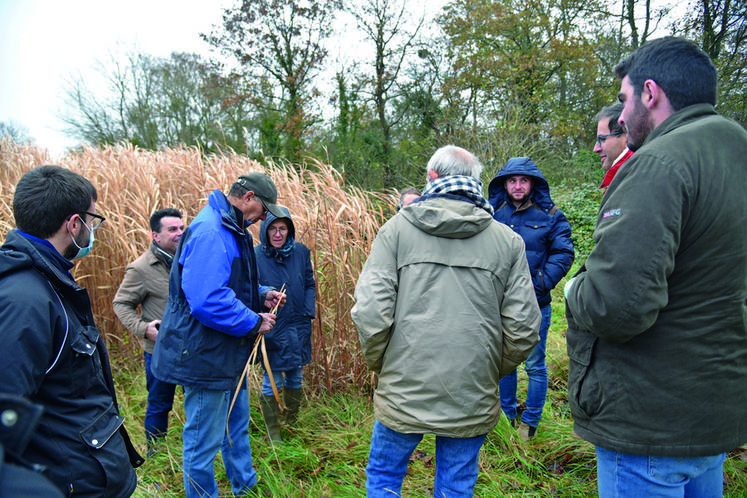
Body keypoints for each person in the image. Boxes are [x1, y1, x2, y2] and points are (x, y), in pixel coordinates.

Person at [564, 37, 747, 497]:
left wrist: (573, 289)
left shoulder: (659, 164)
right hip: (713, 411)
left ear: (651, 93)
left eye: (625, 100)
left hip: (650, 422)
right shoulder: (734, 151)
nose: (620, 117)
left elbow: (616, 307)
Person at [352, 145, 541, 497]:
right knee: (456, 485)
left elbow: (370, 313)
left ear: (432, 178)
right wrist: (486, 367)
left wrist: (384, 363)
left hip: (403, 385)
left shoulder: (395, 231)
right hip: (471, 388)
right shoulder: (507, 242)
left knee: (384, 476)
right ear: (474, 182)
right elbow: (525, 328)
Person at [0, 165, 143, 497]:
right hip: (71, 482)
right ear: (74, 224)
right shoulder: (26, 300)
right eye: (92, 220)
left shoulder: (49, 282)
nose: (93, 229)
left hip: (88, 472)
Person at [152, 172, 286, 498]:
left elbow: (228, 284)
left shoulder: (230, 226)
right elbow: (207, 299)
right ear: (248, 197)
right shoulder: (212, 231)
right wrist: (254, 321)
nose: (265, 217)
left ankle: (245, 485)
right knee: (201, 443)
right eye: (263, 209)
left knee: (235, 427)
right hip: (204, 356)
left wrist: (260, 295)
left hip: (225, 354)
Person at [487, 157, 574, 441]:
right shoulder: (492, 214)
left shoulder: (551, 215)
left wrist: (540, 283)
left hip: (537, 303)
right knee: (505, 361)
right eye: (512, 180)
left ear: (533, 183)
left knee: (535, 364)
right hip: (499, 304)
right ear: (504, 183)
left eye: (523, 180)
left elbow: (563, 253)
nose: (518, 185)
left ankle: (531, 422)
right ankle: (508, 416)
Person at [113, 208, 185, 454]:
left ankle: (195, 452)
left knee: (197, 403)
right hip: (160, 351)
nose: (179, 233)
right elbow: (121, 304)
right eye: (172, 229)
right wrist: (143, 329)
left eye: (181, 228)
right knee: (159, 405)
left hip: (192, 349)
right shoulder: (141, 268)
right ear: (156, 235)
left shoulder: (189, 259)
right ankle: (157, 456)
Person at [255, 205, 316, 444]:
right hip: (272, 325)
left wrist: (307, 312)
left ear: (289, 230)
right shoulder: (256, 255)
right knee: (272, 379)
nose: (278, 234)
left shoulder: (301, 252)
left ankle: (292, 423)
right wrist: (263, 307)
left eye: (283, 228)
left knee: (295, 375)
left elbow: (309, 282)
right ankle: (274, 433)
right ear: (264, 231)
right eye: (272, 229)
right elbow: (249, 289)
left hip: (298, 325)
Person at [593, 103, 633, 192]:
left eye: (603, 139)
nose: (596, 149)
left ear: (627, 138)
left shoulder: (635, 181)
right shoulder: (623, 178)